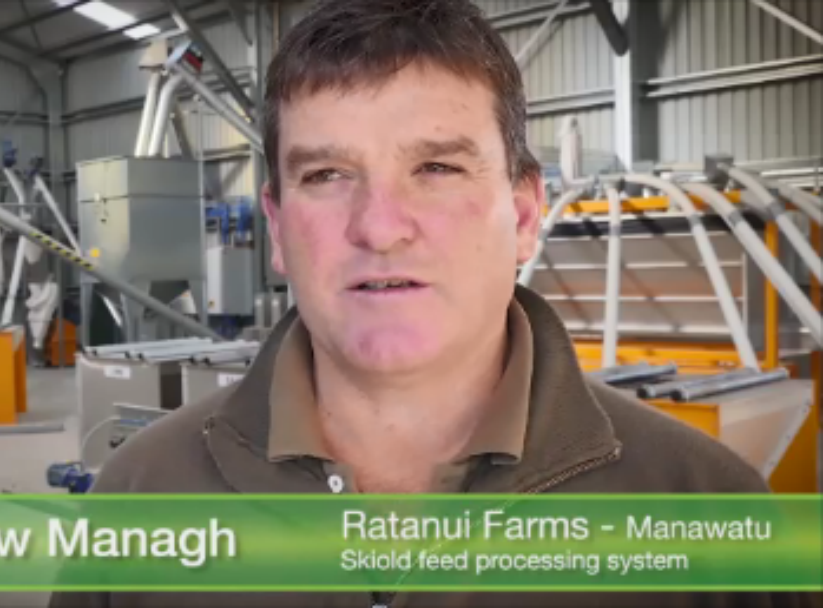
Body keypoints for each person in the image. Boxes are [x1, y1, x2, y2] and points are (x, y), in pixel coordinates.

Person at [51, 1, 817, 606]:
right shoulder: (143, 494)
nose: (380, 227)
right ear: (278, 230)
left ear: (524, 215)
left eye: (438, 168)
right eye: (326, 175)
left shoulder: (705, 509)